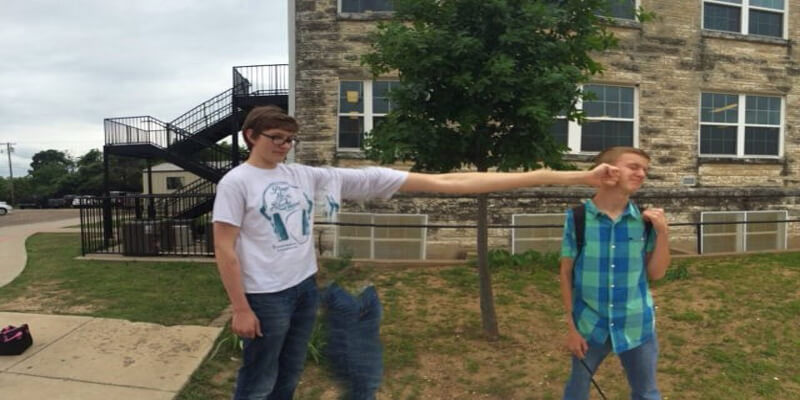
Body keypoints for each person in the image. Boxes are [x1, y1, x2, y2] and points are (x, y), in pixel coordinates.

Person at [213, 105, 622, 400]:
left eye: (289, 139)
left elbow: (446, 182)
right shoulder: (237, 182)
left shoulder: (308, 176)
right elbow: (225, 249)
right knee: (258, 378)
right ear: (251, 137)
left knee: (288, 374)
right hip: (265, 295)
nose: (284, 146)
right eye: (276, 138)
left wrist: (576, 176)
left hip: (302, 287)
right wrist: (241, 308)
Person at [558, 147, 671, 400]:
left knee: (646, 392)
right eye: (634, 166)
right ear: (608, 170)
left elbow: (657, 274)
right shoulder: (577, 218)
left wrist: (663, 232)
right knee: (577, 390)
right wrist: (572, 329)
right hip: (590, 325)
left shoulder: (645, 221)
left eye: (645, 170)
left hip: (636, 324)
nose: (642, 174)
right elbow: (565, 274)